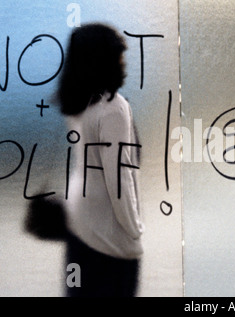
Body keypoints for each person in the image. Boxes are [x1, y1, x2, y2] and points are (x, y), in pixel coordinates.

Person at [57, 23, 145, 297]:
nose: (123, 61)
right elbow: (119, 180)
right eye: (118, 54)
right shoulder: (114, 107)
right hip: (109, 234)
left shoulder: (78, 103)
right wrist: (134, 230)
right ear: (103, 60)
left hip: (79, 220)